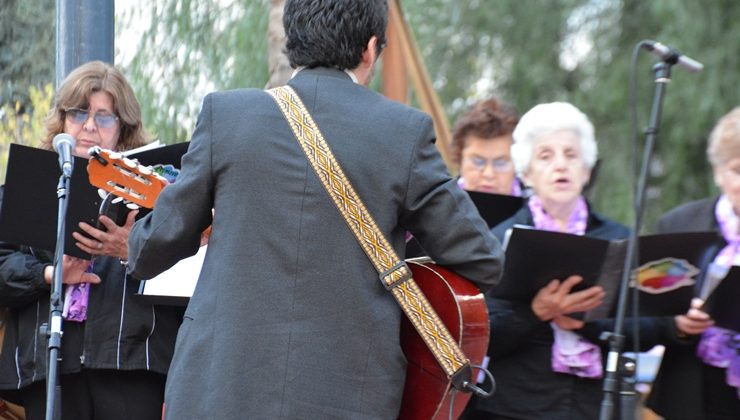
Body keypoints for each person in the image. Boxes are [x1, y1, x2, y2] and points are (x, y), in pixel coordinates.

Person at [126, 1, 503, 418]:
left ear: (292, 41)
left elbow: (150, 251)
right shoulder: (403, 133)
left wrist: (144, 235)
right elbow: (482, 259)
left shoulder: (227, 115)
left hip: (221, 391)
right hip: (348, 398)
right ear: (370, 48)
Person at [463, 102, 690, 420]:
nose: (560, 166)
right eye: (546, 156)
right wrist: (536, 313)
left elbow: (652, 328)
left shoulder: (620, 240)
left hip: (593, 407)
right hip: (512, 407)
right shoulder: (496, 240)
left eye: (571, 155)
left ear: (586, 169)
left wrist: (589, 323)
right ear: (526, 172)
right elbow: (474, 336)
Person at [0, 61, 181, 420]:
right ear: (62, 120)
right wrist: (51, 274)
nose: (88, 126)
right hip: (46, 366)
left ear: (123, 128)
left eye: (104, 117)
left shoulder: (163, 193)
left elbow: (188, 273)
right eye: (78, 113)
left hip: (131, 364)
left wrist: (134, 246)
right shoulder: (25, 188)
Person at [646, 106, 740, 420]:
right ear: (718, 172)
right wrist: (677, 323)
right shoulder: (680, 224)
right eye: (738, 170)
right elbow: (644, 310)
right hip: (691, 390)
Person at [451, 97, 521, 195]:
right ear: (460, 160)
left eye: (500, 163)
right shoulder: (440, 206)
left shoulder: (542, 206)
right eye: (478, 162)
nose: (489, 174)